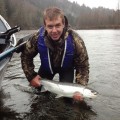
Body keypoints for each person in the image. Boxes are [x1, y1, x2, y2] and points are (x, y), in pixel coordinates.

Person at [20, 7, 89, 101]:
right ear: (45, 26)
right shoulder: (37, 38)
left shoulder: (75, 40)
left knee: (67, 99)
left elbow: (83, 66)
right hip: (46, 69)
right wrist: (31, 76)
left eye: (58, 25)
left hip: (66, 70)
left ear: (63, 24)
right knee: (38, 95)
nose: (54, 31)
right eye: (50, 26)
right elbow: (26, 56)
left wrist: (80, 87)